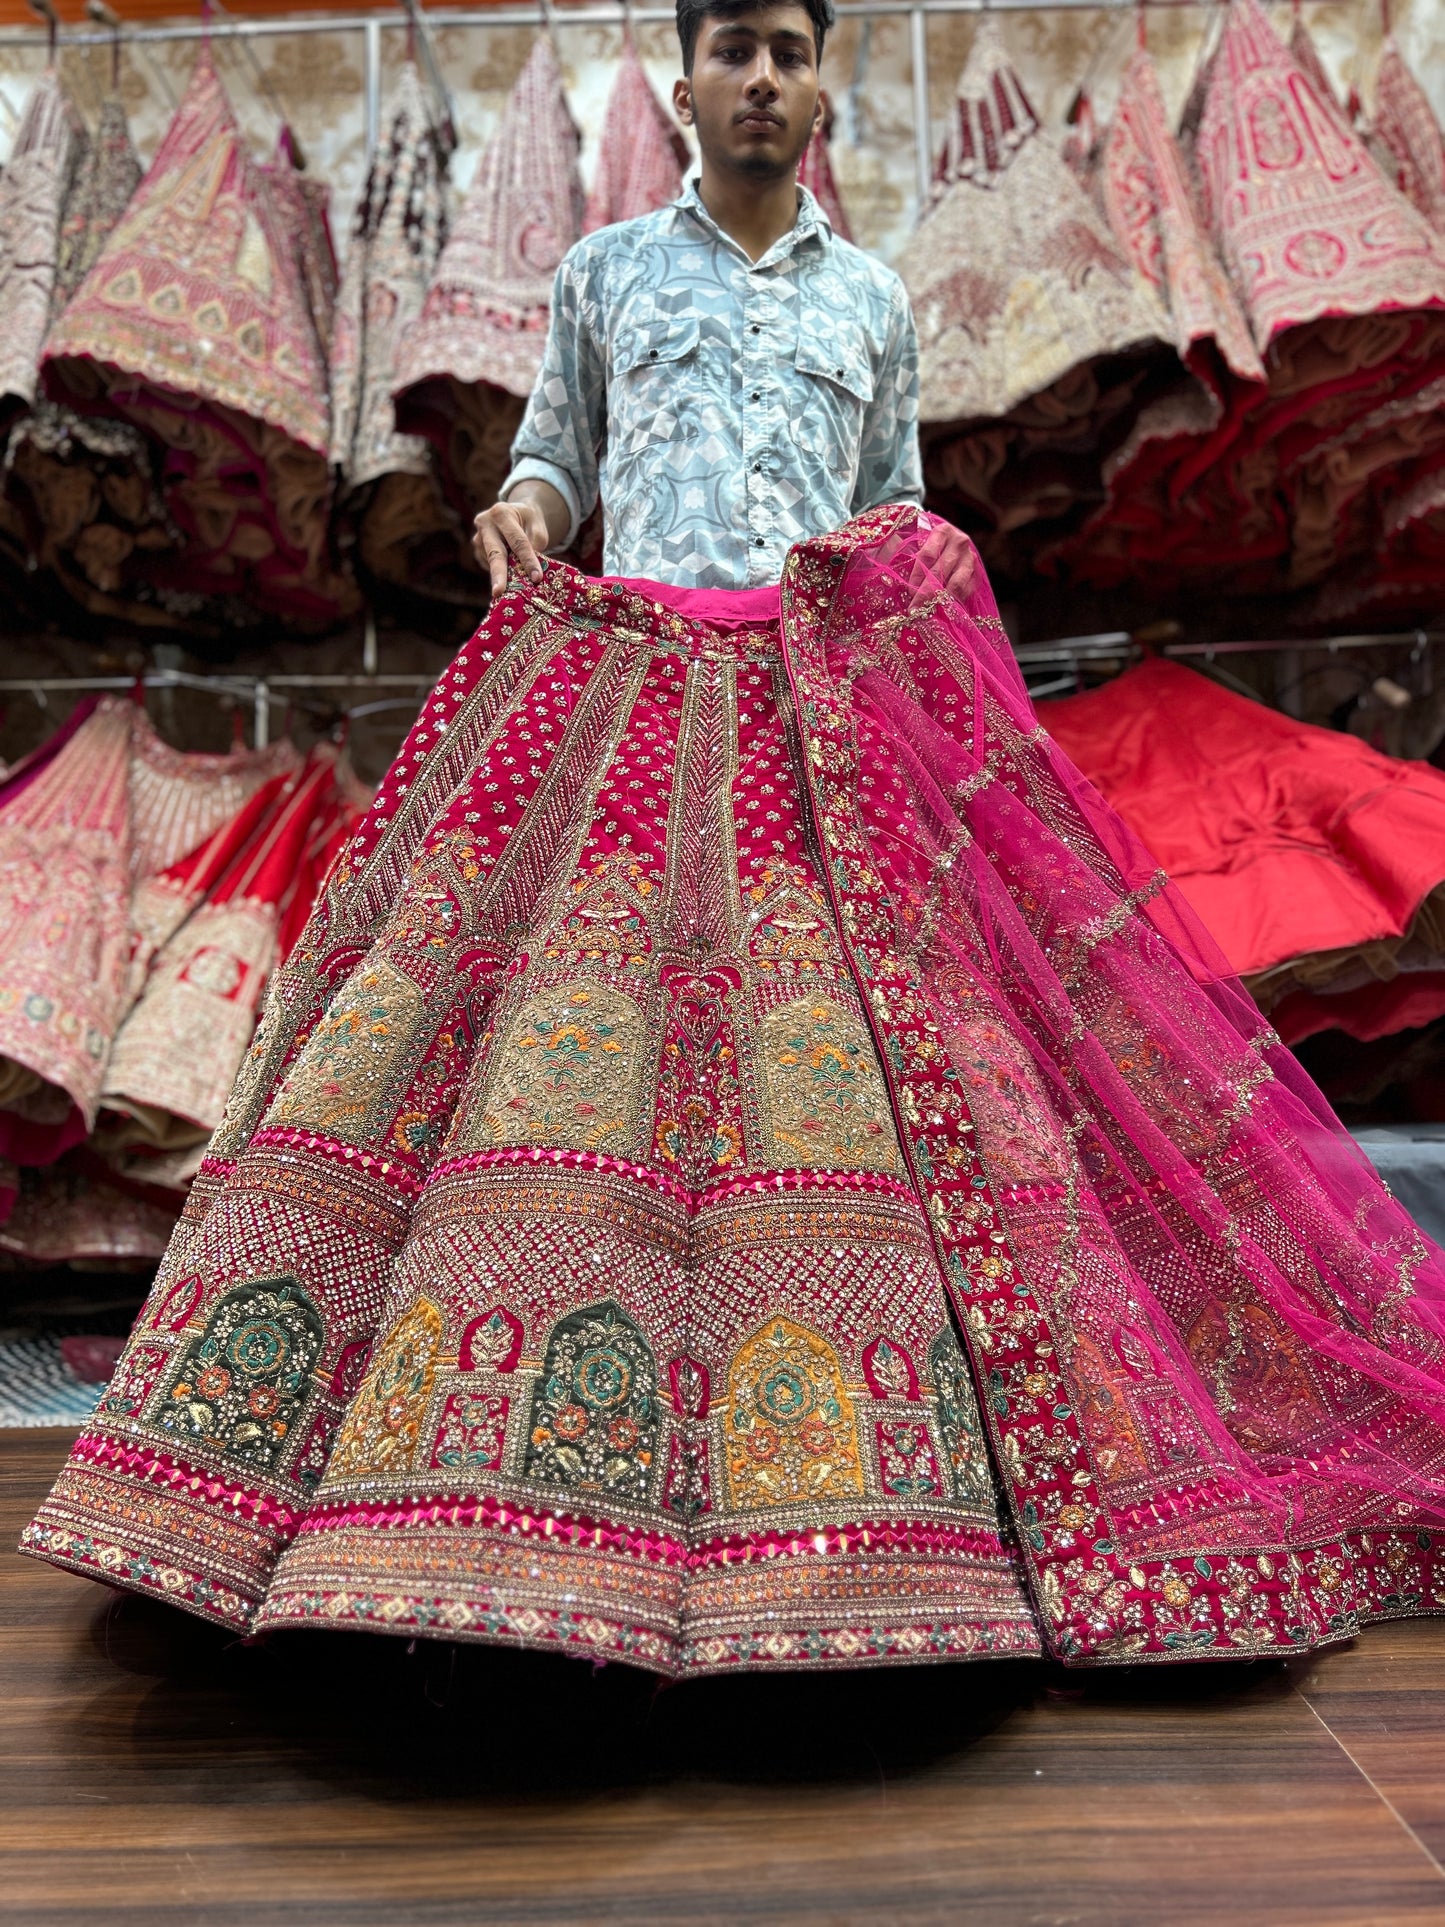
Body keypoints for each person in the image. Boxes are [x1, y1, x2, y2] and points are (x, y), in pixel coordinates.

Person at [24, 0, 1445, 1678]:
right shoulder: (605, 270)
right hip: (625, 693)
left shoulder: (871, 296)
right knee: (555, 1054)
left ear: (818, 82)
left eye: (788, 49)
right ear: (686, 80)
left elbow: (890, 503)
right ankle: (484, 1496)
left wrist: (913, 577)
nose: (762, 77)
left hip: (820, 719)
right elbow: (554, 455)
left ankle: (878, 1518)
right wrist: (523, 515)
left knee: (856, 1072)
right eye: (733, 50)